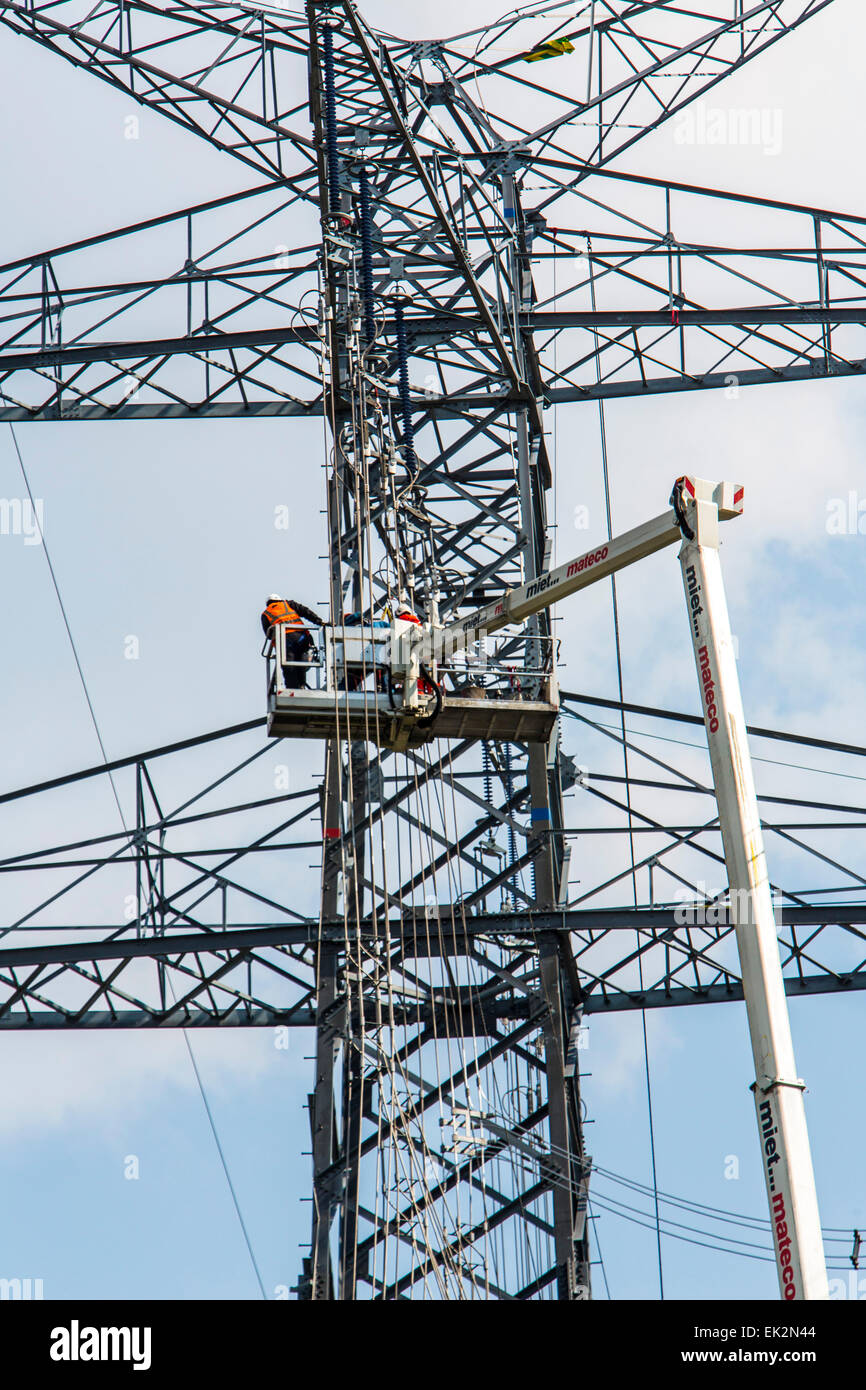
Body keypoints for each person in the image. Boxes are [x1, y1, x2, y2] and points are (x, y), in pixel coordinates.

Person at [261, 594, 324, 690]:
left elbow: (268, 635)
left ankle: (292, 689)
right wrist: (319, 621)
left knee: (289, 666)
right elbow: (306, 612)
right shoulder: (288, 604)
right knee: (301, 663)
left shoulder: (266, 613)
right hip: (301, 637)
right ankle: (301, 685)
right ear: (279, 600)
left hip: (285, 641)